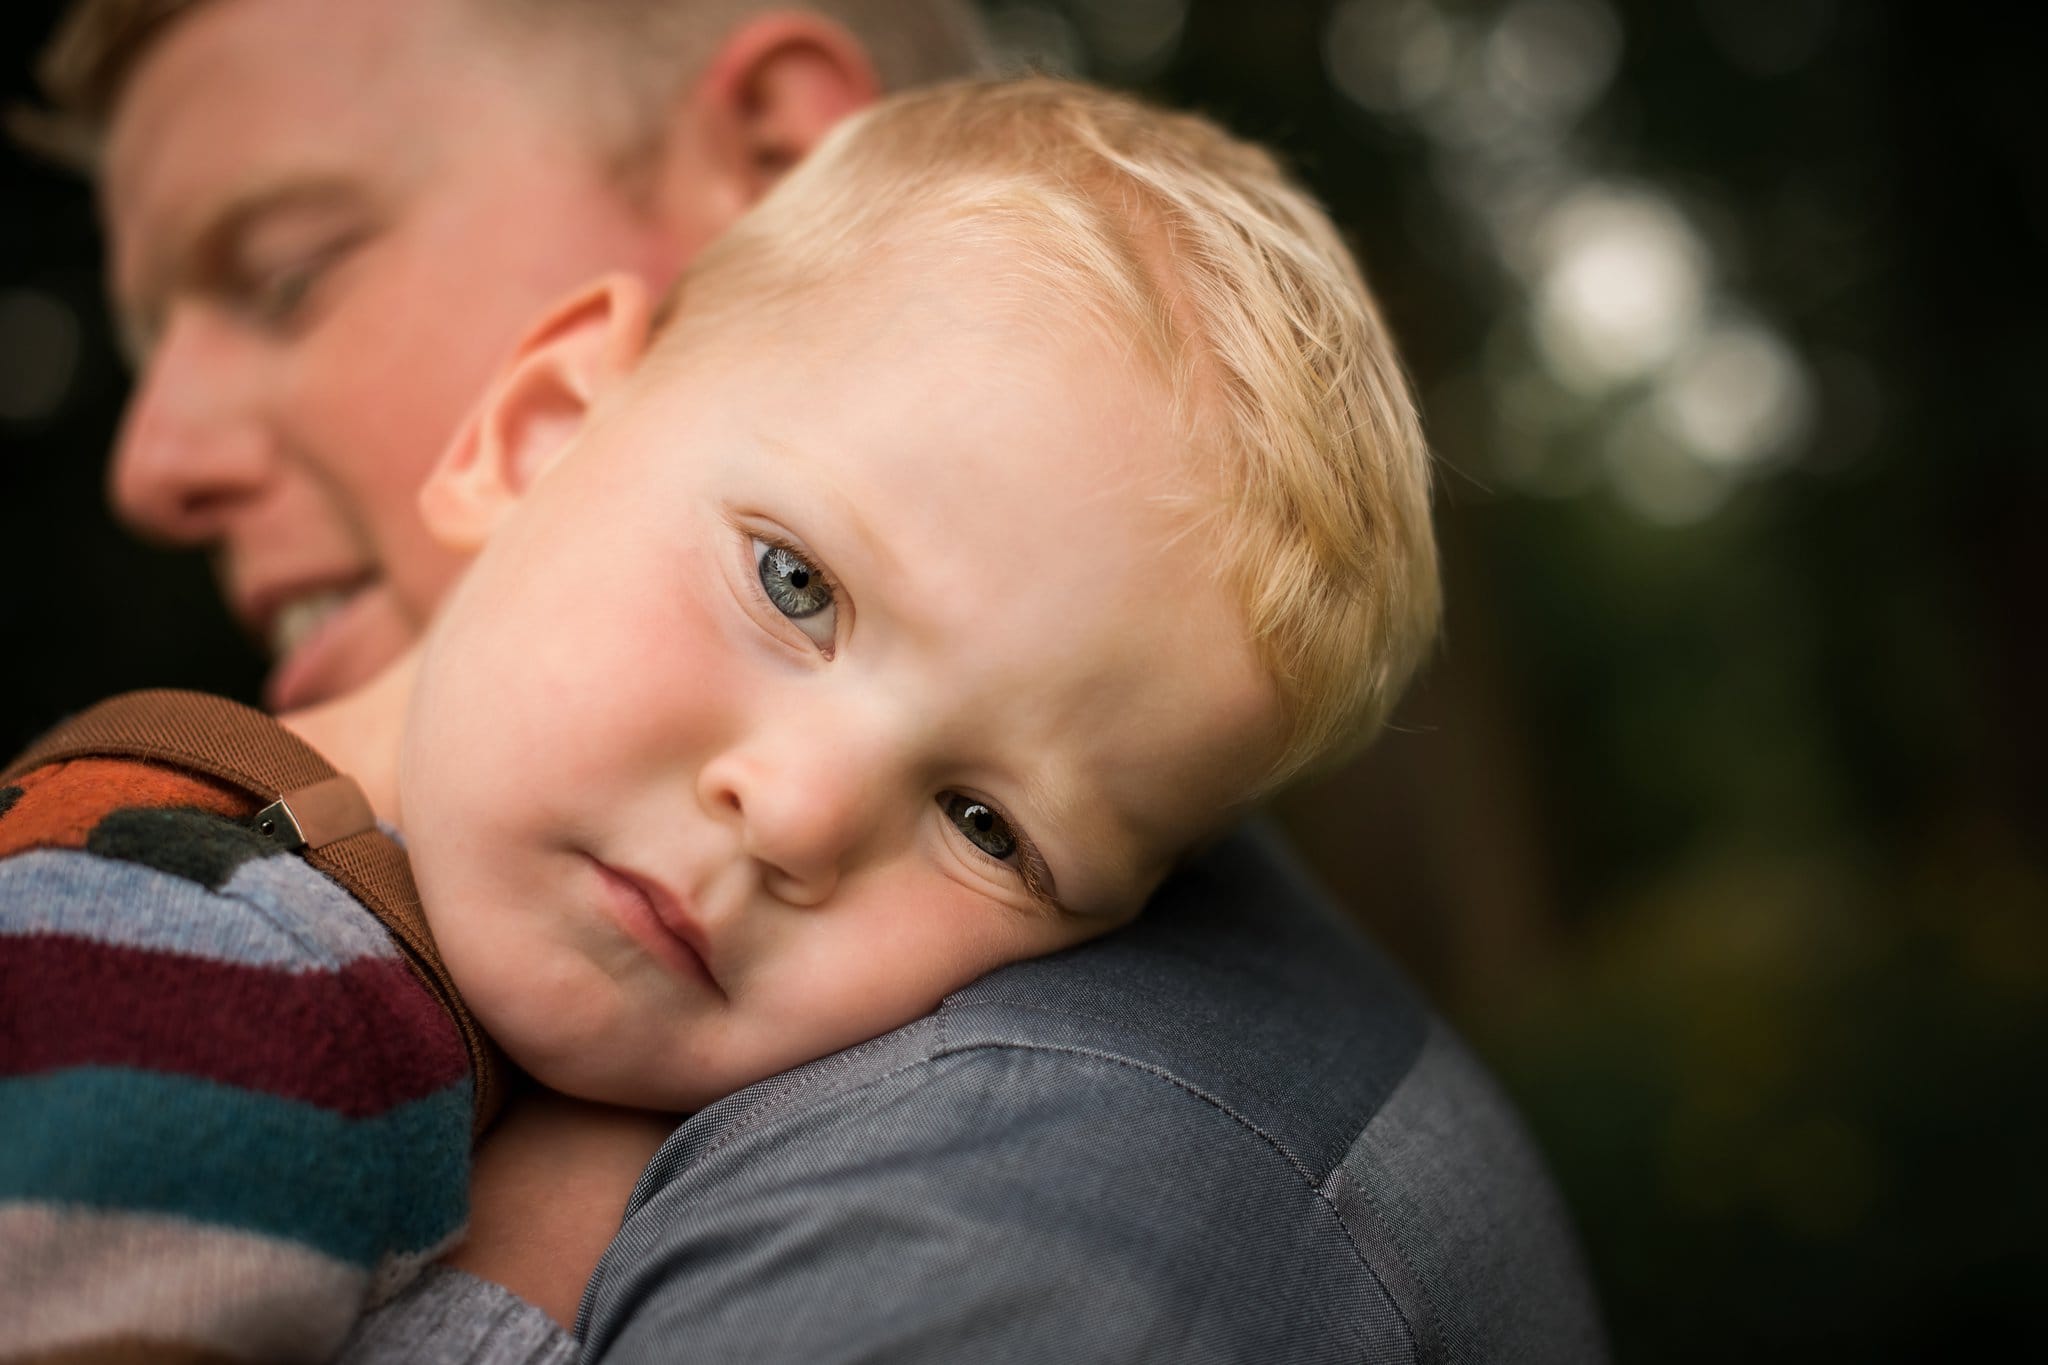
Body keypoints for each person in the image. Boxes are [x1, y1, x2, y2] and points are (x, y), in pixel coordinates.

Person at [21, 2, 1606, 1361]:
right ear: (541, 421)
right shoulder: (166, 937)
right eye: (794, 585)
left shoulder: (1018, 1201)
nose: (795, 811)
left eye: (990, 826)